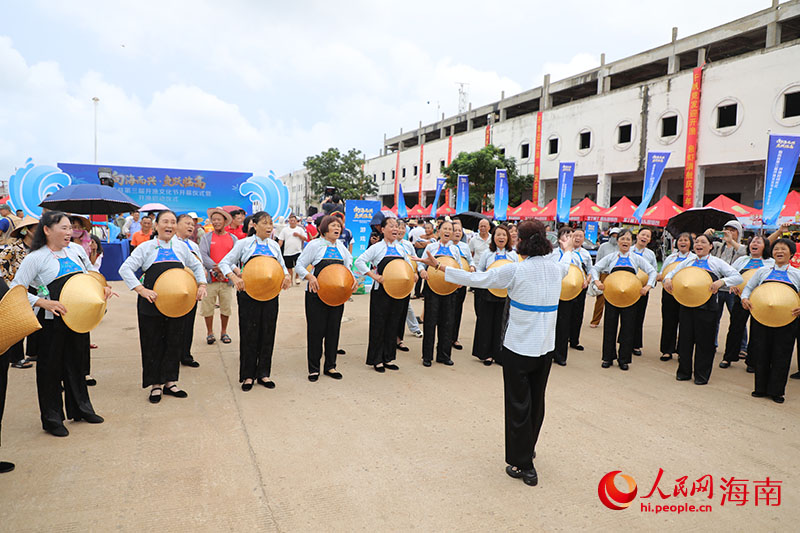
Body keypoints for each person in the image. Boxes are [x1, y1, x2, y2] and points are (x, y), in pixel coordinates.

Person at [419, 220, 569, 487]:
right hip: (545, 347)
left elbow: (478, 279)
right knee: (537, 402)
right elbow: (566, 264)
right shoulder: (556, 268)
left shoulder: (516, 269)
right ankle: (529, 448)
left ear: (522, 242)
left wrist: (440, 267)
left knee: (517, 404)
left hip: (519, 348)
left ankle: (524, 464)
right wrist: (566, 249)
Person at [12, 211, 114, 436]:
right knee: (50, 368)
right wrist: (42, 302)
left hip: (78, 318)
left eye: (71, 228)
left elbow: (91, 273)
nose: (70, 232)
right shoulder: (35, 257)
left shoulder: (76, 251)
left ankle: (81, 409)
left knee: (77, 364)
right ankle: (52, 418)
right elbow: (16, 289)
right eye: (64, 228)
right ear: (47, 230)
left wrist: (102, 287)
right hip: (51, 321)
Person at [119, 210, 207, 403]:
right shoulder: (146, 247)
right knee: (153, 343)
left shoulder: (181, 247)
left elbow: (196, 266)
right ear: (156, 225)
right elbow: (125, 269)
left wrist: (201, 284)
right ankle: (155, 385)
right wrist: (141, 289)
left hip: (176, 304)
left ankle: (170, 382)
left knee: (174, 341)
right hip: (152, 304)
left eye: (173, 222)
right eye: (165, 222)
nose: (169, 225)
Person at [220, 212, 290, 390]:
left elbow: (282, 266)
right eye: (265, 223)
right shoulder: (244, 243)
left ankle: (264, 374)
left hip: (270, 294)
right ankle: (248, 375)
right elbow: (224, 262)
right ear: (254, 225)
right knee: (249, 333)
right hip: (248, 294)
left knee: (268, 332)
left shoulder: (274, 246)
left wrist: (287, 276)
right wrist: (234, 277)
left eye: (271, 223)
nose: (269, 227)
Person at [664, 234, 743, 385]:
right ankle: (684, 372)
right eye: (697, 242)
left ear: (711, 246)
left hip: (708, 307)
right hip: (687, 305)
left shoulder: (716, 262)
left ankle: (701, 374)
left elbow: (737, 277)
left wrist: (722, 282)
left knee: (705, 342)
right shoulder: (688, 261)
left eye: (703, 242)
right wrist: (668, 279)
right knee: (685, 339)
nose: (699, 244)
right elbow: (671, 273)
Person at [295, 215, 356, 381]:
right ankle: (314, 368)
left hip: (336, 296)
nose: (337, 229)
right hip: (316, 295)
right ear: (324, 228)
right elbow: (299, 265)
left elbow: (348, 266)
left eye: (339, 226)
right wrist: (310, 276)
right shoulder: (315, 245)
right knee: (316, 331)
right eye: (333, 225)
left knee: (333, 330)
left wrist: (352, 278)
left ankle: (331, 366)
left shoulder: (342, 247)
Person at [355, 217, 420, 372]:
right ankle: (377, 359)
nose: (395, 229)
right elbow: (359, 261)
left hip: (398, 291)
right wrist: (373, 276)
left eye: (396, 226)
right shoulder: (377, 247)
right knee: (379, 324)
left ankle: (388, 358)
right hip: (381, 291)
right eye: (391, 226)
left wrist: (414, 273)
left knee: (393, 323)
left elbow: (408, 264)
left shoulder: (401, 248)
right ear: (383, 230)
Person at [741, 238, 800, 404]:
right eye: (776, 249)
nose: (779, 251)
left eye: (783, 249)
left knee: (782, 354)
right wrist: (745, 298)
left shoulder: (796, 274)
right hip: (762, 317)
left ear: (791, 253)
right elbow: (748, 287)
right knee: (761, 352)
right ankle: (760, 388)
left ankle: (777, 391)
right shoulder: (762, 271)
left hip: (787, 320)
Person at [590, 229, 656, 371]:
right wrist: (597, 281)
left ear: (631, 242)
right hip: (612, 296)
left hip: (630, 297)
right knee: (610, 326)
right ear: (618, 241)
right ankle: (607, 357)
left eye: (628, 239)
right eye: (622, 239)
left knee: (628, 327)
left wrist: (648, 286)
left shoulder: (636, 258)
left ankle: (624, 359)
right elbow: (595, 268)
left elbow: (652, 271)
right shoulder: (611, 257)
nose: (625, 241)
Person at [720, 235, 773, 371]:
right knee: (735, 327)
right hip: (741, 298)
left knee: (757, 330)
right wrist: (732, 285)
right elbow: (730, 274)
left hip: (761, 301)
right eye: (752, 242)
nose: (754, 244)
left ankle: (752, 361)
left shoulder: (770, 262)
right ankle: (728, 357)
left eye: (758, 242)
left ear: (765, 246)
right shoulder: (742, 260)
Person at [472, 224, 517, 366]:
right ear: (493, 237)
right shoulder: (487, 253)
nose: (501, 237)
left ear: (508, 238)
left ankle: (499, 354)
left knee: (502, 323)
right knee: (486, 322)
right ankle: (486, 354)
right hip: (488, 292)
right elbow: (479, 270)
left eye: (504, 235)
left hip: (506, 294)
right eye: (498, 234)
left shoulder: (513, 255)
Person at [0, 216, 39, 369]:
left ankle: (33, 351)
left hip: (36, 288)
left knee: (34, 321)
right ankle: (16, 358)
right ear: (27, 231)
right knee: (19, 323)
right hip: (18, 289)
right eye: (36, 229)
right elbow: (1, 264)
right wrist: (8, 283)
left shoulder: (39, 249)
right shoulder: (13, 248)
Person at [420, 220, 461, 367]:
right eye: (445, 228)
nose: (448, 231)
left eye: (450, 229)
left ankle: (444, 355)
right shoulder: (431, 247)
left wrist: (460, 280)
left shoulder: (455, 250)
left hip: (449, 289)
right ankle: (427, 356)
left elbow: (459, 267)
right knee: (430, 321)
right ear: (439, 231)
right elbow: (421, 262)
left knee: (447, 322)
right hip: (432, 287)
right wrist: (422, 270)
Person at [199, 208, 237, 345]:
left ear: (225, 221)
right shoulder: (206, 238)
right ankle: (210, 333)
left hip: (227, 280)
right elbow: (203, 255)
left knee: (226, 307)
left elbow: (235, 257)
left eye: (218, 219)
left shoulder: (233, 239)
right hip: (211, 279)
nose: (216, 222)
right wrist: (218, 268)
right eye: (213, 219)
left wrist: (225, 271)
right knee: (208, 307)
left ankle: (224, 332)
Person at [706, 221, 746, 348]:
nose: (728, 232)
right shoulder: (717, 246)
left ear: (739, 233)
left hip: (734, 289)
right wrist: (707, 235)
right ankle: (711, 343)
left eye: (732, 230)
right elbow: (704, 248)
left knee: (737, 319)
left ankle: (742, 346)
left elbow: (744, 252)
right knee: (713, 318)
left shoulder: (742, 248)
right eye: (726, 229)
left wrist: (731, 241)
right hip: (717, 288)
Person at [657, 232, 694, 362]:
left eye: (686, 240)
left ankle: (682, 351)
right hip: (669, 293)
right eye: (680, 240)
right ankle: (667, 350)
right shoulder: (671, 257)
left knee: (685, 323)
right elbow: (663, 273)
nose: (682, 242)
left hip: (686, 294)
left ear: (691, 243)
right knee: (668, 321)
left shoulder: (694, 258)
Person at [549, 227, 581, 366]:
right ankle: (548, 353)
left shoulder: (575, 256)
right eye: (565, 235)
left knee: (564, 325)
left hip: (568, 295)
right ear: (559, 238)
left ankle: (560, 355)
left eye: (571, 236)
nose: (568, 238)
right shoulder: (551, 254)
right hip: (553, 293)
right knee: (550, 324)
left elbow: (580, 272)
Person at [176, 214, 202, 368]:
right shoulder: (171, 243)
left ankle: (185, 355)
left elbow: (199, 265)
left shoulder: (193, 245)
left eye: (192, 224)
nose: (191, 226)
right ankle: (172, 355)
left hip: (191, 289)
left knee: (188, 323)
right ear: (176, 225)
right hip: (174, 288)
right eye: (187, 223)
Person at [395, 219, 423, 350]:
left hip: (406, 279)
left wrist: (415, 272)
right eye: (398, 227)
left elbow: (414, 259)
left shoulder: (407, 245)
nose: (400, 230)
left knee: (406, 304)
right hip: (392, 280)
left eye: (403, 228)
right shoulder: (388, 244)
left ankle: (409, 331)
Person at [631, 228, 658, 356]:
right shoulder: (628, 250)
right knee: (627, 316)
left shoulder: (650, 254)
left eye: (647, 236)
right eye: (643, 234)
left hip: (643, 289)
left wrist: (649, 286)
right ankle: (625, 342)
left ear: (649, 240)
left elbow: (654, 271)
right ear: (637, 236)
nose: (644, 237)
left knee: (639, 316)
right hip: (628, 288)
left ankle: (636, 344)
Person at [450, 221, 475, 351]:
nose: (458, 233)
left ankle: (454, 338)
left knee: (458, 310)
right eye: (455, 230)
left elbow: (471, 260)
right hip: (448, 283)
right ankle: (446, 337)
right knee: (448, 311)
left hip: (462, 282)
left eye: (460, 231)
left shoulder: (464, 247)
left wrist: (472, 266)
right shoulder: (446, 246)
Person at [590, 227, 620, 327]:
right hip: (604, 273)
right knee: (600, 299)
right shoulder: (603, 246)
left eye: (616, 236)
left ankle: (612, 322)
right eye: (613, 236)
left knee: (615, 299)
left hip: (616, 275)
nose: (614, 238)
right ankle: (595, 320)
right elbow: (598, 261)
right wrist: (597, 277)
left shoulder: (620, 247)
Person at [569, 228, 593, 351]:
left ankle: (574, 340)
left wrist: (587, 280)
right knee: (566, 314)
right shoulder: (565, 252)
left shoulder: (585, 254)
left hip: (580, 287)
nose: (577, 238)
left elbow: (590, 270)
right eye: (575, 235)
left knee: (577, 314)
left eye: (580, 236)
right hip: (567, 288)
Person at [278, 214, 307, 285]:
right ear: (289, 221)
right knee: (289, 267)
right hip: (287, 252)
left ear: (296, 221)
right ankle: (290, 280)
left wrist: (298, 235)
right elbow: (281, 240)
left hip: (297, 250)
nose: (293, 222)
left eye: (294, 220)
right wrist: (278, 248)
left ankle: (297, 277)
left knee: (298, 265)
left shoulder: (300, 229)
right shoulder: (285, 230)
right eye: (291, 220)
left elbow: (305, 238)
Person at [411, 221, 436, 298]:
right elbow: (416, 244)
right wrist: (425, 244)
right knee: (419, 274)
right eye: (426, 228)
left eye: (429, 228)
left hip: (429, 259)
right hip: (420, 258)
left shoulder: (434, 237)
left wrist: (422, 244)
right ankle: (417, 293)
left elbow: (429, 244)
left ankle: (425, 293)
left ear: (432, 229)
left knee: (428, 276)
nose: (427, 230)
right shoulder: (421, 236)